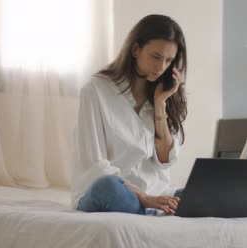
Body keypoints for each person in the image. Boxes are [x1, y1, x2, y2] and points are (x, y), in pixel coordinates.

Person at [71, 14, 188, 216]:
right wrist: (144, 198)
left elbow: (165, 159)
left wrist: (160, 105)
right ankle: (152, 212)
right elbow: (94, 164)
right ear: (135, 50)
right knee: (107, 186)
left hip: (155, 192)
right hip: (113, 191)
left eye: (169, 60)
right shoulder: (96, 90)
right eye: (155, 57)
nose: (161, 68)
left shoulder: (163, 94)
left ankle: (156, 210)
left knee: (206, 192)